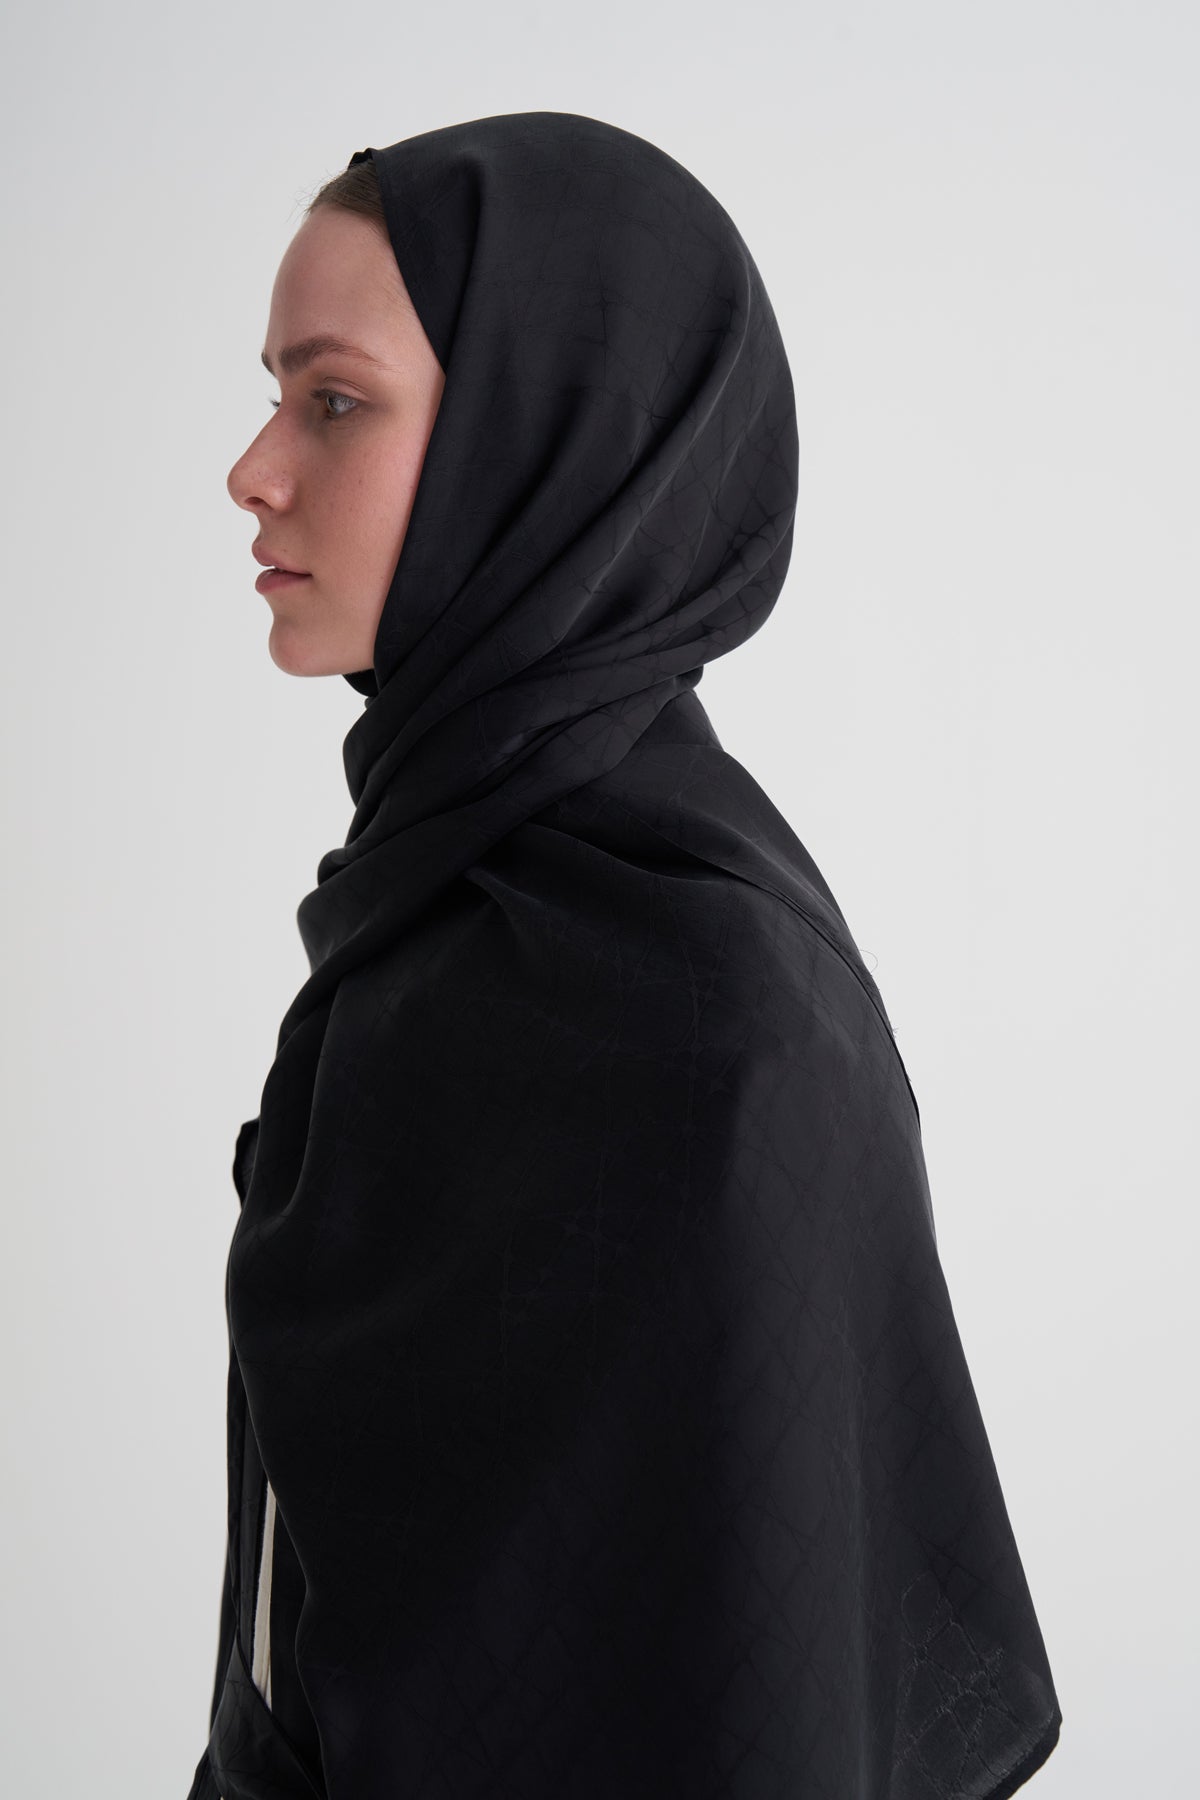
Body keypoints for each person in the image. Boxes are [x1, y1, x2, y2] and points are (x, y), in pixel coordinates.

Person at [188, 112, 1062, 1800]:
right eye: (276, 396)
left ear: (542, 446)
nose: (253, 469)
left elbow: (769, 1707)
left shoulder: (723, 1025)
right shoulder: (424, 923)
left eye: (333, 402)